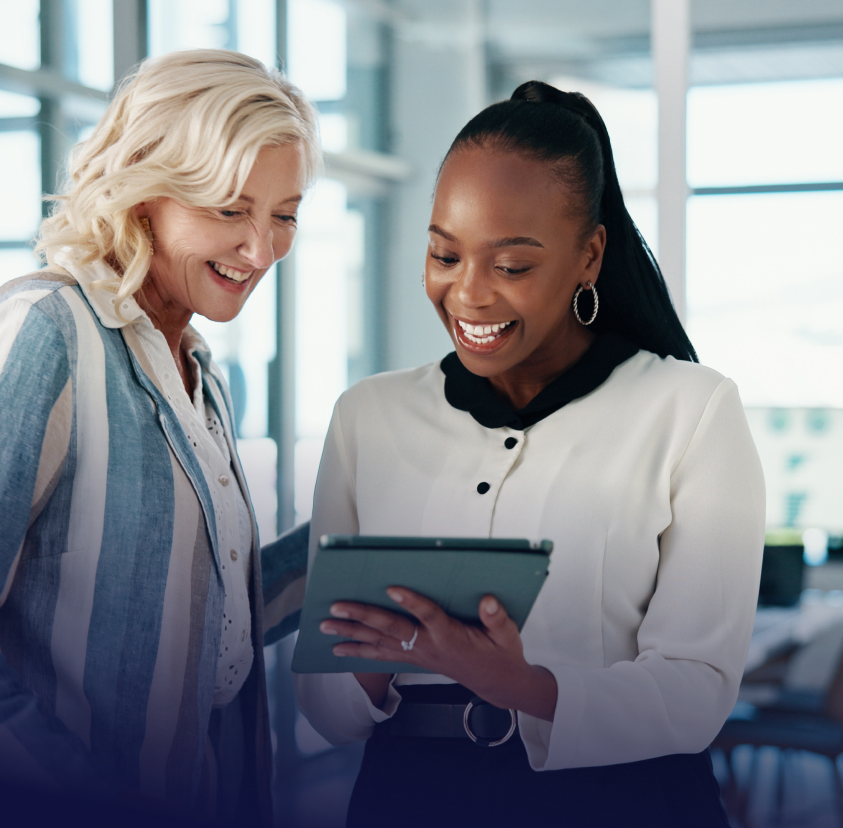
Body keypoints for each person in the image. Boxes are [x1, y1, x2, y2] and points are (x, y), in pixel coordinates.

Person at [0, 50, 319, 824]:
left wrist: (357, 543)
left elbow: (202, 627)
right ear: (147, 192)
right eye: (230, 208)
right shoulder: (45, 334)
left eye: (283, 215)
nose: (261, 249)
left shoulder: (196, 373)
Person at [295, 81, 765, 827]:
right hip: (408, 798)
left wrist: (526, 685)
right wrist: (381, 661)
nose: (468, 295)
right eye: (444, 254)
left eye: (511, 266)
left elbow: (698, 690)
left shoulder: (692, 410)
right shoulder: (366, 418)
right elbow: (322, 705)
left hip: (622, 804)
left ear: (589, 256)